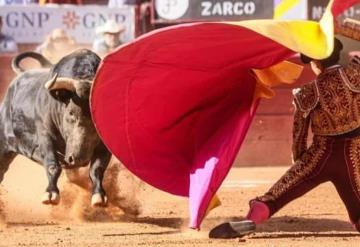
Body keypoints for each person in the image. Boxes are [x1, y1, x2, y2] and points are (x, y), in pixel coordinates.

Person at [210, 38, 360, 238]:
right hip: (354, 156)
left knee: (275, 197)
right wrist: (342, 27)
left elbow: (298, 136)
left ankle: (251, 219)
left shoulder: (306, 93)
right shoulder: (356, 74)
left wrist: (301, 163)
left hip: (319, 155)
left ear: (316, 63)